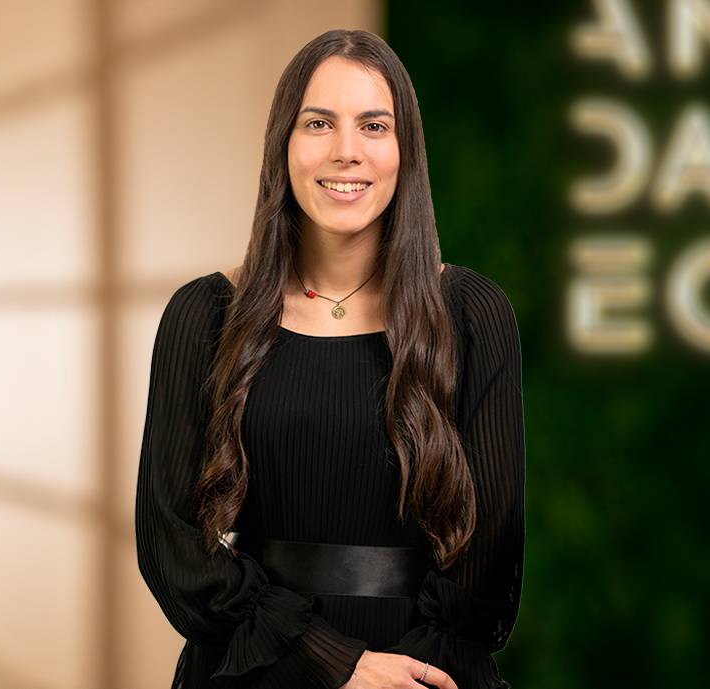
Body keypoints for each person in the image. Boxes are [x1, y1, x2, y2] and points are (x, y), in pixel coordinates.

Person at [134, 29, 524, 689]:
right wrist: (330, 663)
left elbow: (491, 556)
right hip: (255, 664)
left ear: (405, 152)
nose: (346, 151)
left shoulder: (473, 314)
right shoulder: (201, 315)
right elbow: (170, 544)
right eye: (318, 123)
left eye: (374, 125)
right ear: (282, 145)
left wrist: (398, 676)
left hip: (424, 675)